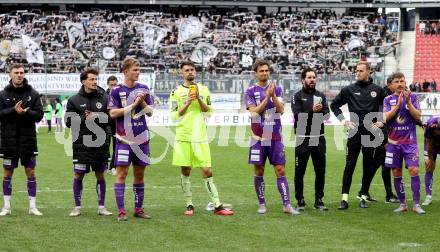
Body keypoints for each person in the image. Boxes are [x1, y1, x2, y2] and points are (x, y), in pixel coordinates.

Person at [169, 61, 233, 216]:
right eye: (186, 70)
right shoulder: (175, 92)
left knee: (207, 170)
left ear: (195, 72)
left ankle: (217, 205)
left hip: (200, 137)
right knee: (185, 170)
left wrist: (198, 98)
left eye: (192, 69)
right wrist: (188, 101)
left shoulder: (203, 90)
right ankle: (189, 205)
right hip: (183, 136)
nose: (190, 72)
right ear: (182, 73)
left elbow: (209, 112)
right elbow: (174, 116)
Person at [244, 59, 299, 215]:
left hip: (275, 135)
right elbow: (254, 112)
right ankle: (262, 204)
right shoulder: (250, 91)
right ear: (256, 73)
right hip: (258, 137)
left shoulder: (277, 89)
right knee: (259, 171)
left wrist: (273, 96)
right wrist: (267, 98)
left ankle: (286, 205)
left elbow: (281, 110)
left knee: (280, 170)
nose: (264, 73)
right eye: (261, 71)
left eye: (266, 70)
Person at [330, 61, 387, 210]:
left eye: (361, 70)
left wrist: (382, 120)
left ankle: (362, 196)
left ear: (369, 72)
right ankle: (344, 199)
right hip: (354, 133)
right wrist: (344, 121)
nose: (358, 73)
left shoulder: (378, 90)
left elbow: (389, 106)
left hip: (370, 134)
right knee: (349, 166)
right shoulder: (349, 90)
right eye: (357, 70)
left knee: (367, 166)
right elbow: (334, 105)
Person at [108, 58, 154, 221]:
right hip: (124, 141)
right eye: (135, 69)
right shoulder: (116, 90)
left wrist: (141, 103)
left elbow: (150, 112)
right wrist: (133, 105)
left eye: (138, 69)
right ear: (126, 71)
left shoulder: (144, 89)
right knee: (121, 174)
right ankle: (121, 211)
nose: (138, 72)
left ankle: (138, 209)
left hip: (142, 140)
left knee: (139, 175)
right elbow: (113, 114)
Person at [65, 68, 112, 217]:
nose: (94, 82)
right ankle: (77, 207)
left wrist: (97, 116)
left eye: (95, 79)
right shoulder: (74, 100)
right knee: (78, 175)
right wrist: (85, 118)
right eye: (91, 79)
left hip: (100, 144)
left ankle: (101, 207)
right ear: (83, 81)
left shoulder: (105, 98)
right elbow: (68, 122)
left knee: (100, 176)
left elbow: (111, 119)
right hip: (81, 145)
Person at [0, 63, 44, 216]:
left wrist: (26, 112)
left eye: (22, 72)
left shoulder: (33, 93)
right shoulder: (3, 94)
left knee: (31, 172)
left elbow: (39, 115)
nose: (19, 75)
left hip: (28, 140)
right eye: (16, 72)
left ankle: (32, 207)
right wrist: (14, 110)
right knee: (7, 173)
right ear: (10, 75)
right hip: (9, 140)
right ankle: (6, 207)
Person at [383, 72, 424, 214]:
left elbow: (418, 116)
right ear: (391, 85)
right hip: (393, 144)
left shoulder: (413, 97)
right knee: (396, 172)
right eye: (397, 81)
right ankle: (402, 204)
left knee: (414, 170)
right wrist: (398, 105)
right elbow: (386, 117)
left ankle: (416, 204)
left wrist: (407, 103)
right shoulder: (388, 99)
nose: (400, 84)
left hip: (410, 143)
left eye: (402, 81)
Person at [291, 68, 329, 211]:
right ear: (303, 80)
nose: (312, 79)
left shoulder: (321, 96)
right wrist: (313, 111)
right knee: (299, 172)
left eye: (314, 77)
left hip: (318, 138)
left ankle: (319, 200)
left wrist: (321, 112)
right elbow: (298, 116)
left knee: (320, 171)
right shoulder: (297, 96)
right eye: (309, 77)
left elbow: (327, 115)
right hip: (303, 139)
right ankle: (300, 200)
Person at [421, 115, 440, 206]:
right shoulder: (430, 125)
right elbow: (428, 143)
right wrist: (430, 159)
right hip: (431, 143)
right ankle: (428, 196)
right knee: (429, 168)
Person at [106, 75, 118, 176]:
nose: (113, 87)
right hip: (104, 125)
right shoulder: (103, 96)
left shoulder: (119, 96)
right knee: (104, 147)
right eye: (111, 85)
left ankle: (113, 166)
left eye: (115, 85)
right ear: (108, 85)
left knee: (116, 146)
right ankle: (104, 166)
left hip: (117, 125)